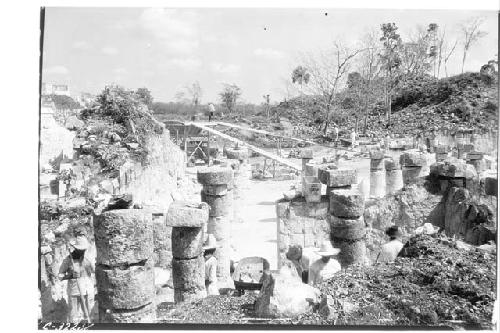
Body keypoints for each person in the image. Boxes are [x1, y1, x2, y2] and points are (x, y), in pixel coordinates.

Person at [58, 235, 94, 323]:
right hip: (74, 291)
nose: (83, 251)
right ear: (76, 249)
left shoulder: (87, 259)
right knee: (73, 316)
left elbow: (92, 271)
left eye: (84, 250)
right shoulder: (68, 260)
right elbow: (60, 276)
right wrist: (70, 275)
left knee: (88, 315)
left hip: (86, 291)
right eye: (81, 250)